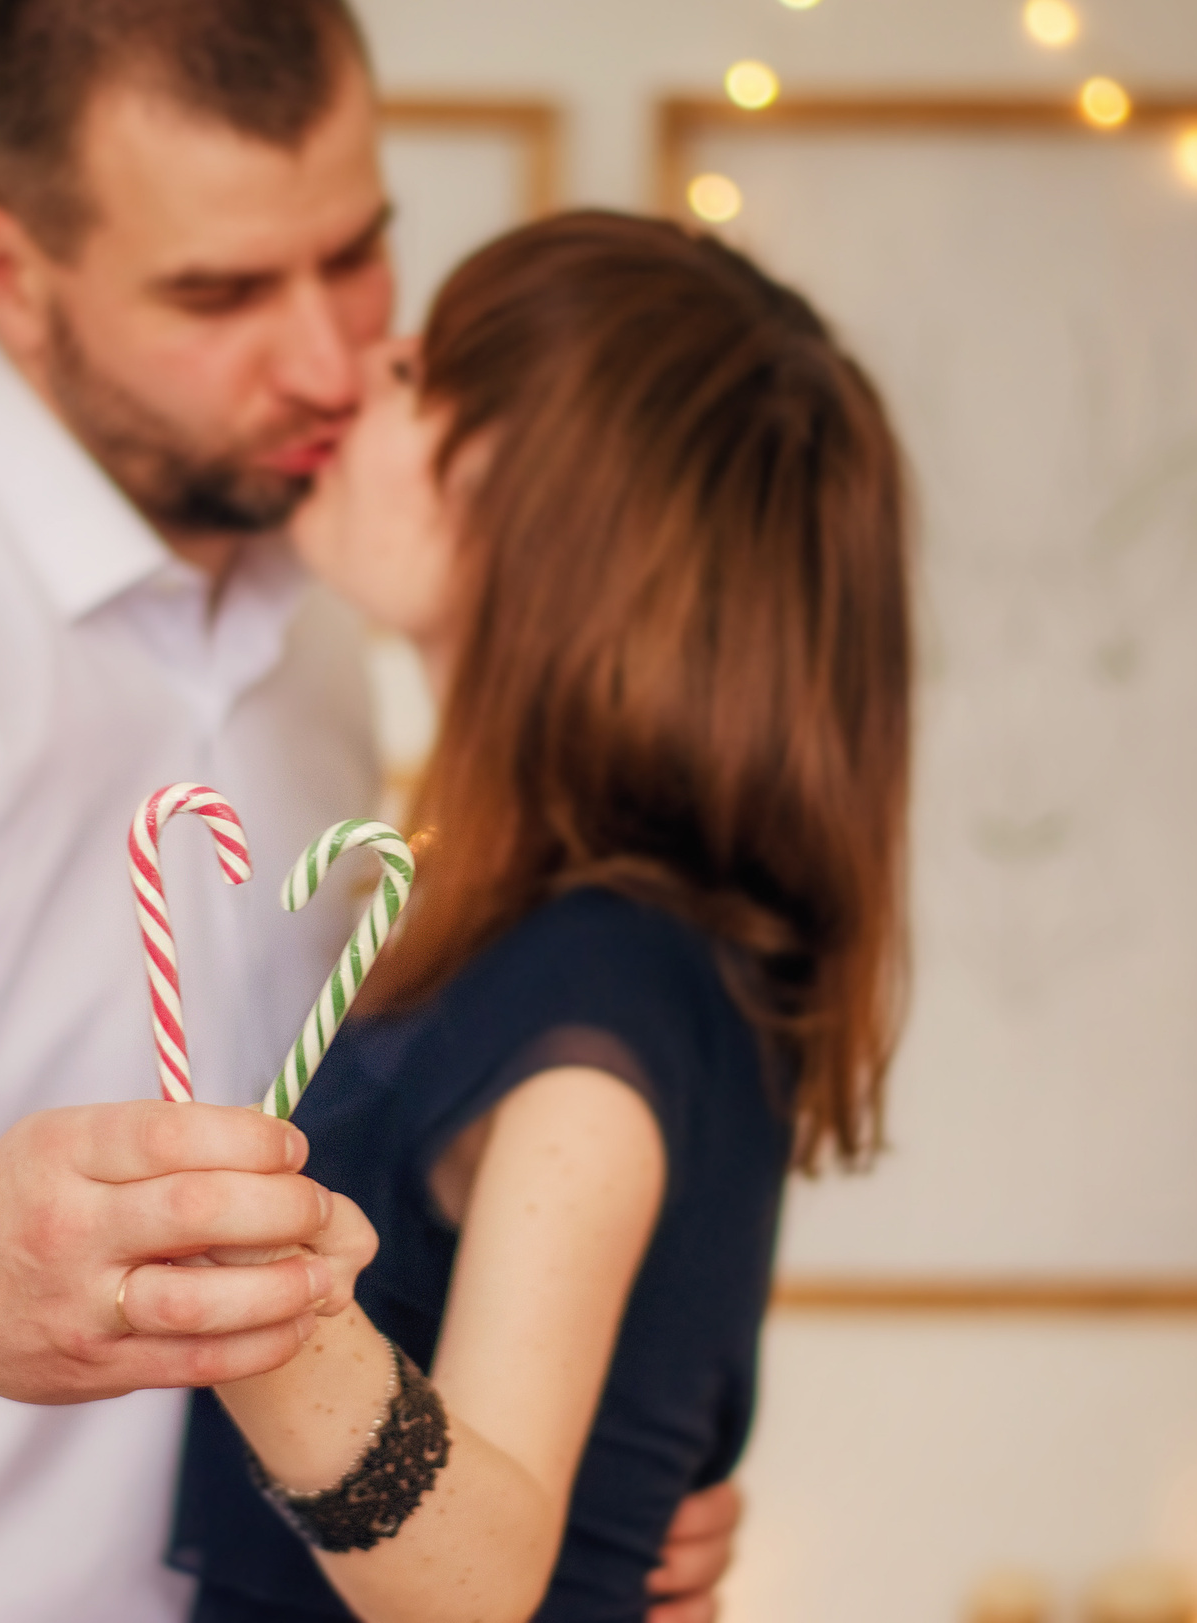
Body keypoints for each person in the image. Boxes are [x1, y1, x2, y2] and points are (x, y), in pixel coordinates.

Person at [0, 0, 737, 1619]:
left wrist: (575, 1479)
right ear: (11, 271)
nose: (328, 360)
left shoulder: (323, 615)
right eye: (217, 295)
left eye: (354, 256)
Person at [168, 211, 914, 1621]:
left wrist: (243, 1292)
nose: (366, 362)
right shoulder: (567, 938)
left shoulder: (600, 992)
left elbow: (473, 1592)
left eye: (427, 374)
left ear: (539, 509)